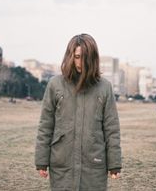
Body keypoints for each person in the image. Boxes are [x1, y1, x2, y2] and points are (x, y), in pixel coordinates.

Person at [35, 34, 122, 191]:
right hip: (62, 165)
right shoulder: (55, 85)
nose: (80, 62)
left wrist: (115, 164)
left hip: (94, 167)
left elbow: (112, 129)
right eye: (77, 57)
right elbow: (46, 125)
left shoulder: (104, 87)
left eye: (85, 57)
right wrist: (41, 160)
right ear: (70, 56)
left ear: (93, 58)